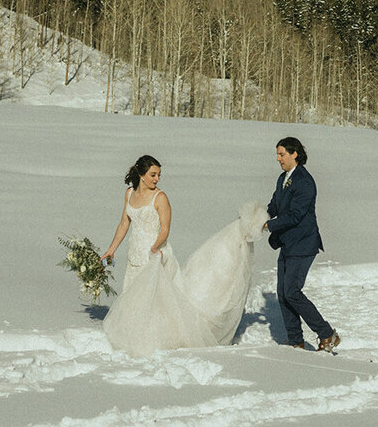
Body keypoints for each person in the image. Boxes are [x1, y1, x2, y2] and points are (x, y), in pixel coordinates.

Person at [100, 155, 267, 356]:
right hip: (134, 253)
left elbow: (165, 228)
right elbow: (124, 223)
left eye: (159, 175)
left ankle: (155, 340)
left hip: (155, 253)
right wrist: (111, 249)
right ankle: (133, 336)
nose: (156, 179)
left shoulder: (160, 198)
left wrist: (155, 247)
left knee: (156, 300)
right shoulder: (129, 194)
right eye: (153, 175)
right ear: (140, 174)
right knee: (134, 295)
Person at [265, 137, 340, 352]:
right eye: (277, 154)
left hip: (303, 244)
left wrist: (268, 225)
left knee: (292, 291)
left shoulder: (305, 181)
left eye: (282, 154)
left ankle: (327, 334)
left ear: (294, 153)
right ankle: (295, 341)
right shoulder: (283, 178)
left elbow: (295, 215)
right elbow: (275, 205)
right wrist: (260, 216)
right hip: (287, 243)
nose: (278, 158)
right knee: (283, 293)